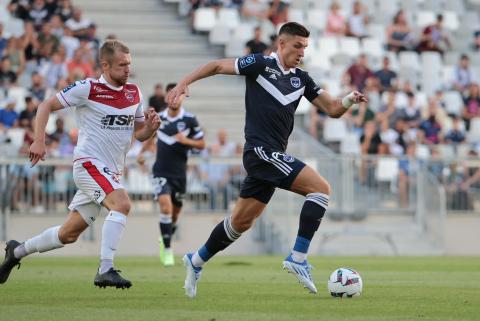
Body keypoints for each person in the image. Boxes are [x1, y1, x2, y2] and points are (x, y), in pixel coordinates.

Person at [166, 22, 366, 298]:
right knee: (321, 189)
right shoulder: (260, 65)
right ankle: (297, 257)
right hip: (260, 152)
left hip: (270, 158)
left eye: (305, 47)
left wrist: (348, 100)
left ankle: (196, 260)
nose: (301, 52)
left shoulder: (302, 79)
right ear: (281, 44)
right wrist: (183, 83)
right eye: (297, 46)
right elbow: (215, 66)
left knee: (240, 223)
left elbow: (332, 109)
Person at [0, 39, 161, 288]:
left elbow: (138, 132)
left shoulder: (134, 92)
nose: (127, 69)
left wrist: (149, 128)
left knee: (68, 234)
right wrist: (39, 140)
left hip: (111, 172)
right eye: (121, 65)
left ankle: (16, 251)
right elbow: (45, 106)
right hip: (89, 164)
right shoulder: (88, 88)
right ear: (104, 65)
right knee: (122, 203)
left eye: (129, 64)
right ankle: (105, 269)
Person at [137, 83, 205, 266]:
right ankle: (167, 250)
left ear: (183, 97)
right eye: (172, 96)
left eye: (178, 95)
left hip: (180, 174)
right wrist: (142, 153)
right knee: (165, 208)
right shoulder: (159, 118)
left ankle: (165, 238)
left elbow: (202, 144)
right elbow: (150, 136)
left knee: (174, 215)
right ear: (167, 98)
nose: (175, 99)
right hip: (161, 171)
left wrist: (186, 140)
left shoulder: (190, 120)